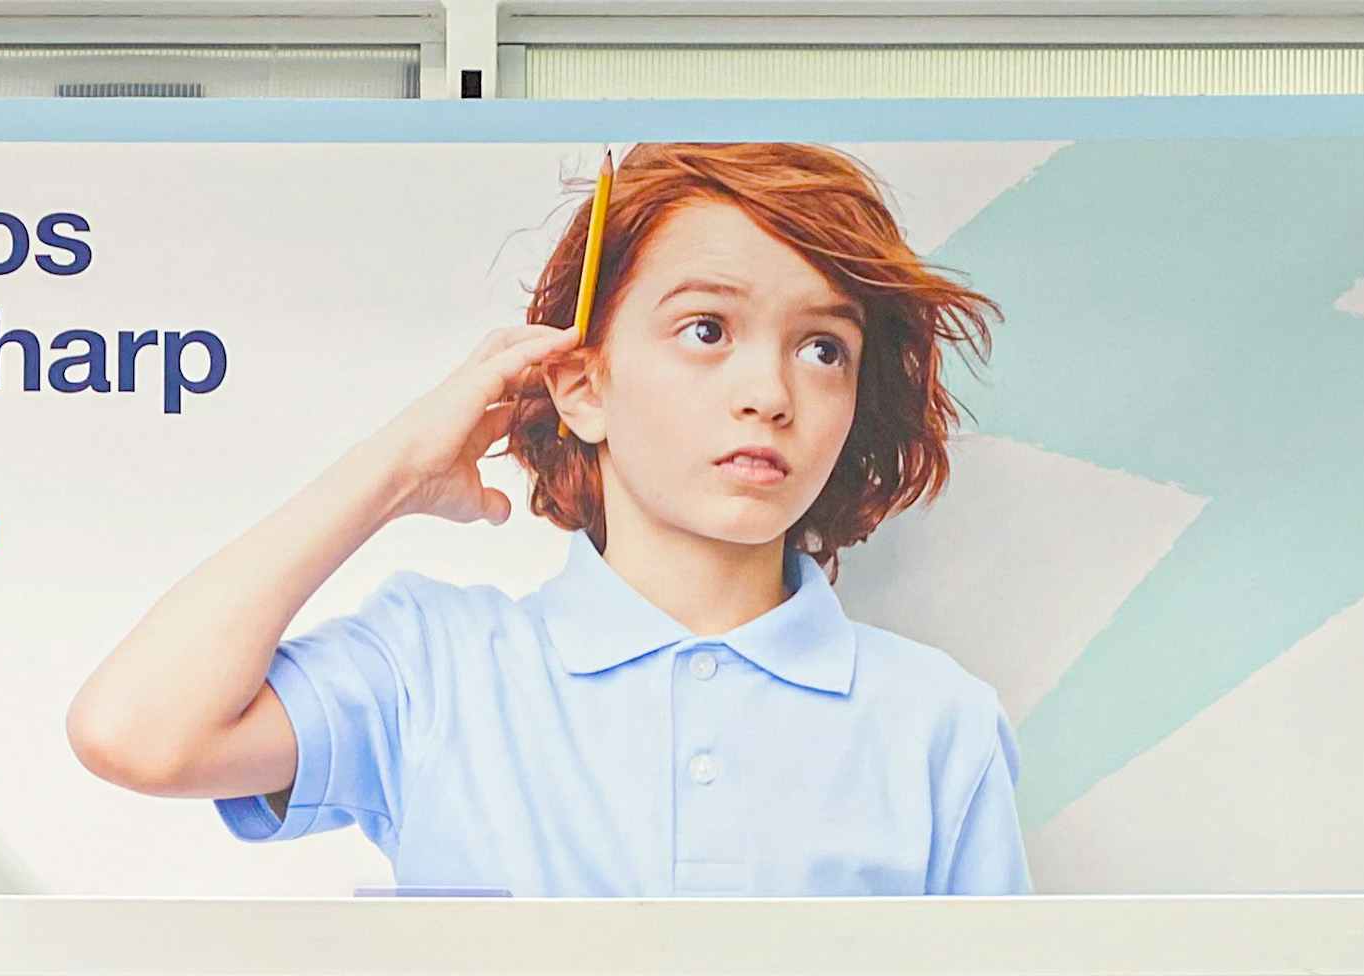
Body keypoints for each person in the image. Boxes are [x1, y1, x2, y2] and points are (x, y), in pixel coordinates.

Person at [66, 141, 1027, 897]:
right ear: (581, 385)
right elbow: (137, 735)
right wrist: (395, 467)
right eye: (707, 331)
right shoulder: (431, 665)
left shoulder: (937, 722)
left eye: (823, 349)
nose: (769, 394)